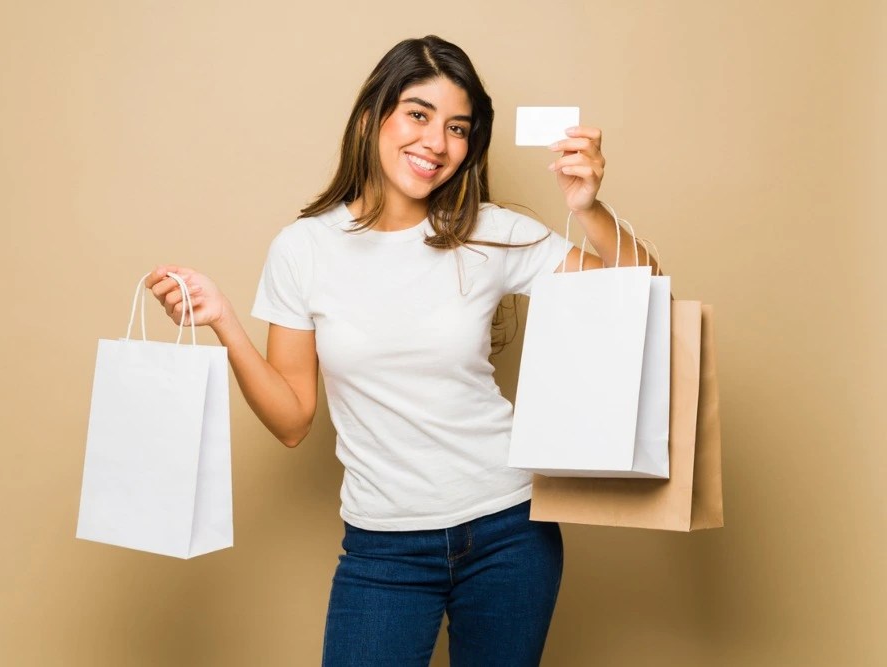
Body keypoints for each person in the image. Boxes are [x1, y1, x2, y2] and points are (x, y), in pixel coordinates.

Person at [147, 35, 655, 667]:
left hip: (510, 530)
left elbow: (635, 292)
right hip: (383, 549)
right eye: (418, 114)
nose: (436, 143)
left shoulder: (492, 232)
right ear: (372, 117)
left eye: (458, 127)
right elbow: (291, 420)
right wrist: (224, 321)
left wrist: (589, 207)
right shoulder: (304, 249)